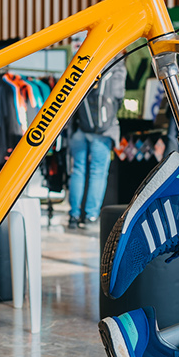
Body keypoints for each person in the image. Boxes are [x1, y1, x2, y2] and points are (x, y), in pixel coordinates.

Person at [66, 58, 126, 229]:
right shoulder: (116, 63)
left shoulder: (85, 59)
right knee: (98, 172)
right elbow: (119, 94)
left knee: (77, 170)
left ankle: (74, 215)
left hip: (79, 128)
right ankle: (91, 216)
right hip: (103, 130)